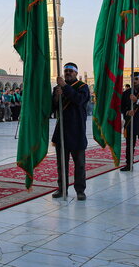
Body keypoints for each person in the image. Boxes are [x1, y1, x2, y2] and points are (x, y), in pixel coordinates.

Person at [51, 62, 90, 200]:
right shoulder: (58, 87)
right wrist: (57, 96)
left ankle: (80, 190)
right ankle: (62, 189)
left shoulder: (83, 87)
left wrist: (65, 87)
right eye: (66, 70)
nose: (67, 73)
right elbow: (53, 107)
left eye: (70, 71)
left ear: (75, 73)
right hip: (62, 130)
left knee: (79, 164)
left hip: (77, 129)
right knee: (61, 163)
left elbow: (79, 100)